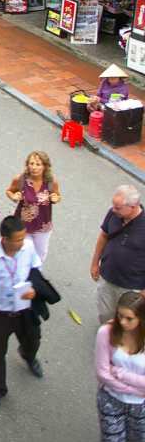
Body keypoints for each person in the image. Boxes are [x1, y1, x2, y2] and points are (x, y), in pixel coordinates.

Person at [0, 215, 43, 412]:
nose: (22, 242)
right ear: (5, 239)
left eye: (23, 237)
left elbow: (36, 268)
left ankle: (28, 356)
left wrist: (34, 289)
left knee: (33, 339)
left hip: (25, 308)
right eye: (18, 239)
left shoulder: (28, 247)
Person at [90, 185, 145, 324]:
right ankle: (106, 334)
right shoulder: (113, 213)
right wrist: (95, 263)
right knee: (105, 315)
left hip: (132, 286)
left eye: (118, 207)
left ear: (133, 206)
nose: (113, 210)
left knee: (127, 322)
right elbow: (104, 236)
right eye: (113, 205)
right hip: (107, 277)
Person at [95, 291, 145, 441]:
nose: (122, 322)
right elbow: (103, 373)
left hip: (141, 405)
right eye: (120, 316)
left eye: (129, 318)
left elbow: (110, 372)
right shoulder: (106, 332)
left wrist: (120, 373)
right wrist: (134, 390)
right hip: (111, 399)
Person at [5, 151, 61, 262]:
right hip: (23, 225)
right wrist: (13, 196)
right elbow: (9, 191)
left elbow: (57, 195)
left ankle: (34, 272)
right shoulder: (20, 180)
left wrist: (56, 198)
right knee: (22, 254)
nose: (34, 167)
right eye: (31, 164)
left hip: (43, 227)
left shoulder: (51, 182)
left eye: (38, 164)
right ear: (27, 165)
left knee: (39, 256)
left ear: (45, 166)